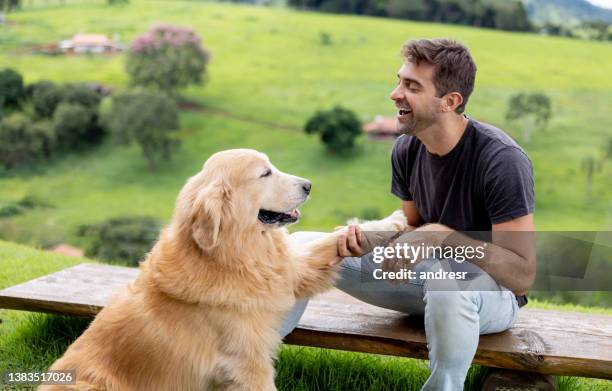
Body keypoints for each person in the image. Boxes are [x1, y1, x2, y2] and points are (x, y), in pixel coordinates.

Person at [281, 38, 536, 391]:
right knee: (305, 245)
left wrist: (441, 237)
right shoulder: (406, 148)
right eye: (400, 81)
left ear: (450, 101)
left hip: (488, 297)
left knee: (447, 283)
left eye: (411, 86)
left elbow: (521, 275)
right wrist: (372, 235)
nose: (395, 94)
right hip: (423, 281)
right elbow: (412, 225)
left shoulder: (501, 160)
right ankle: (248, 367)